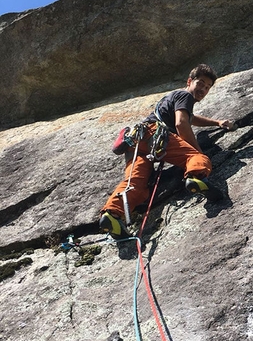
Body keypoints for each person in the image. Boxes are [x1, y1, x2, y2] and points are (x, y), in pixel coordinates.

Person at [99, 63, 236, 238]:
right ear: (189, 81)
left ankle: (112, 214)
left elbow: (191, 118)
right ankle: (195, 177)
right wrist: (198, 151)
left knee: (136, 183)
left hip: (136, 142)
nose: (203, 89)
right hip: (155, 135)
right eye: (200, 83)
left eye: (207, 87)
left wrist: (216, 122)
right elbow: (181, 123)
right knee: (196, 158)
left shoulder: (173, 98)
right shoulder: (184, 96)